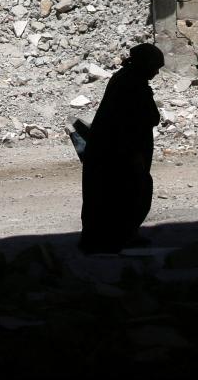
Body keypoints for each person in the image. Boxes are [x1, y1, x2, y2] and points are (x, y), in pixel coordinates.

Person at [78, 43, 164, 254]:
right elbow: (130, 121)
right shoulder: (130, 83)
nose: (156, 72)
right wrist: (133, 154)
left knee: (115, 193)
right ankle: (114, 238)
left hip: (117, 150)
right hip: (119, 152)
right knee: (124, 193)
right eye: (155, 66)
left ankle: (115, 236)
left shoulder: (129, 79)